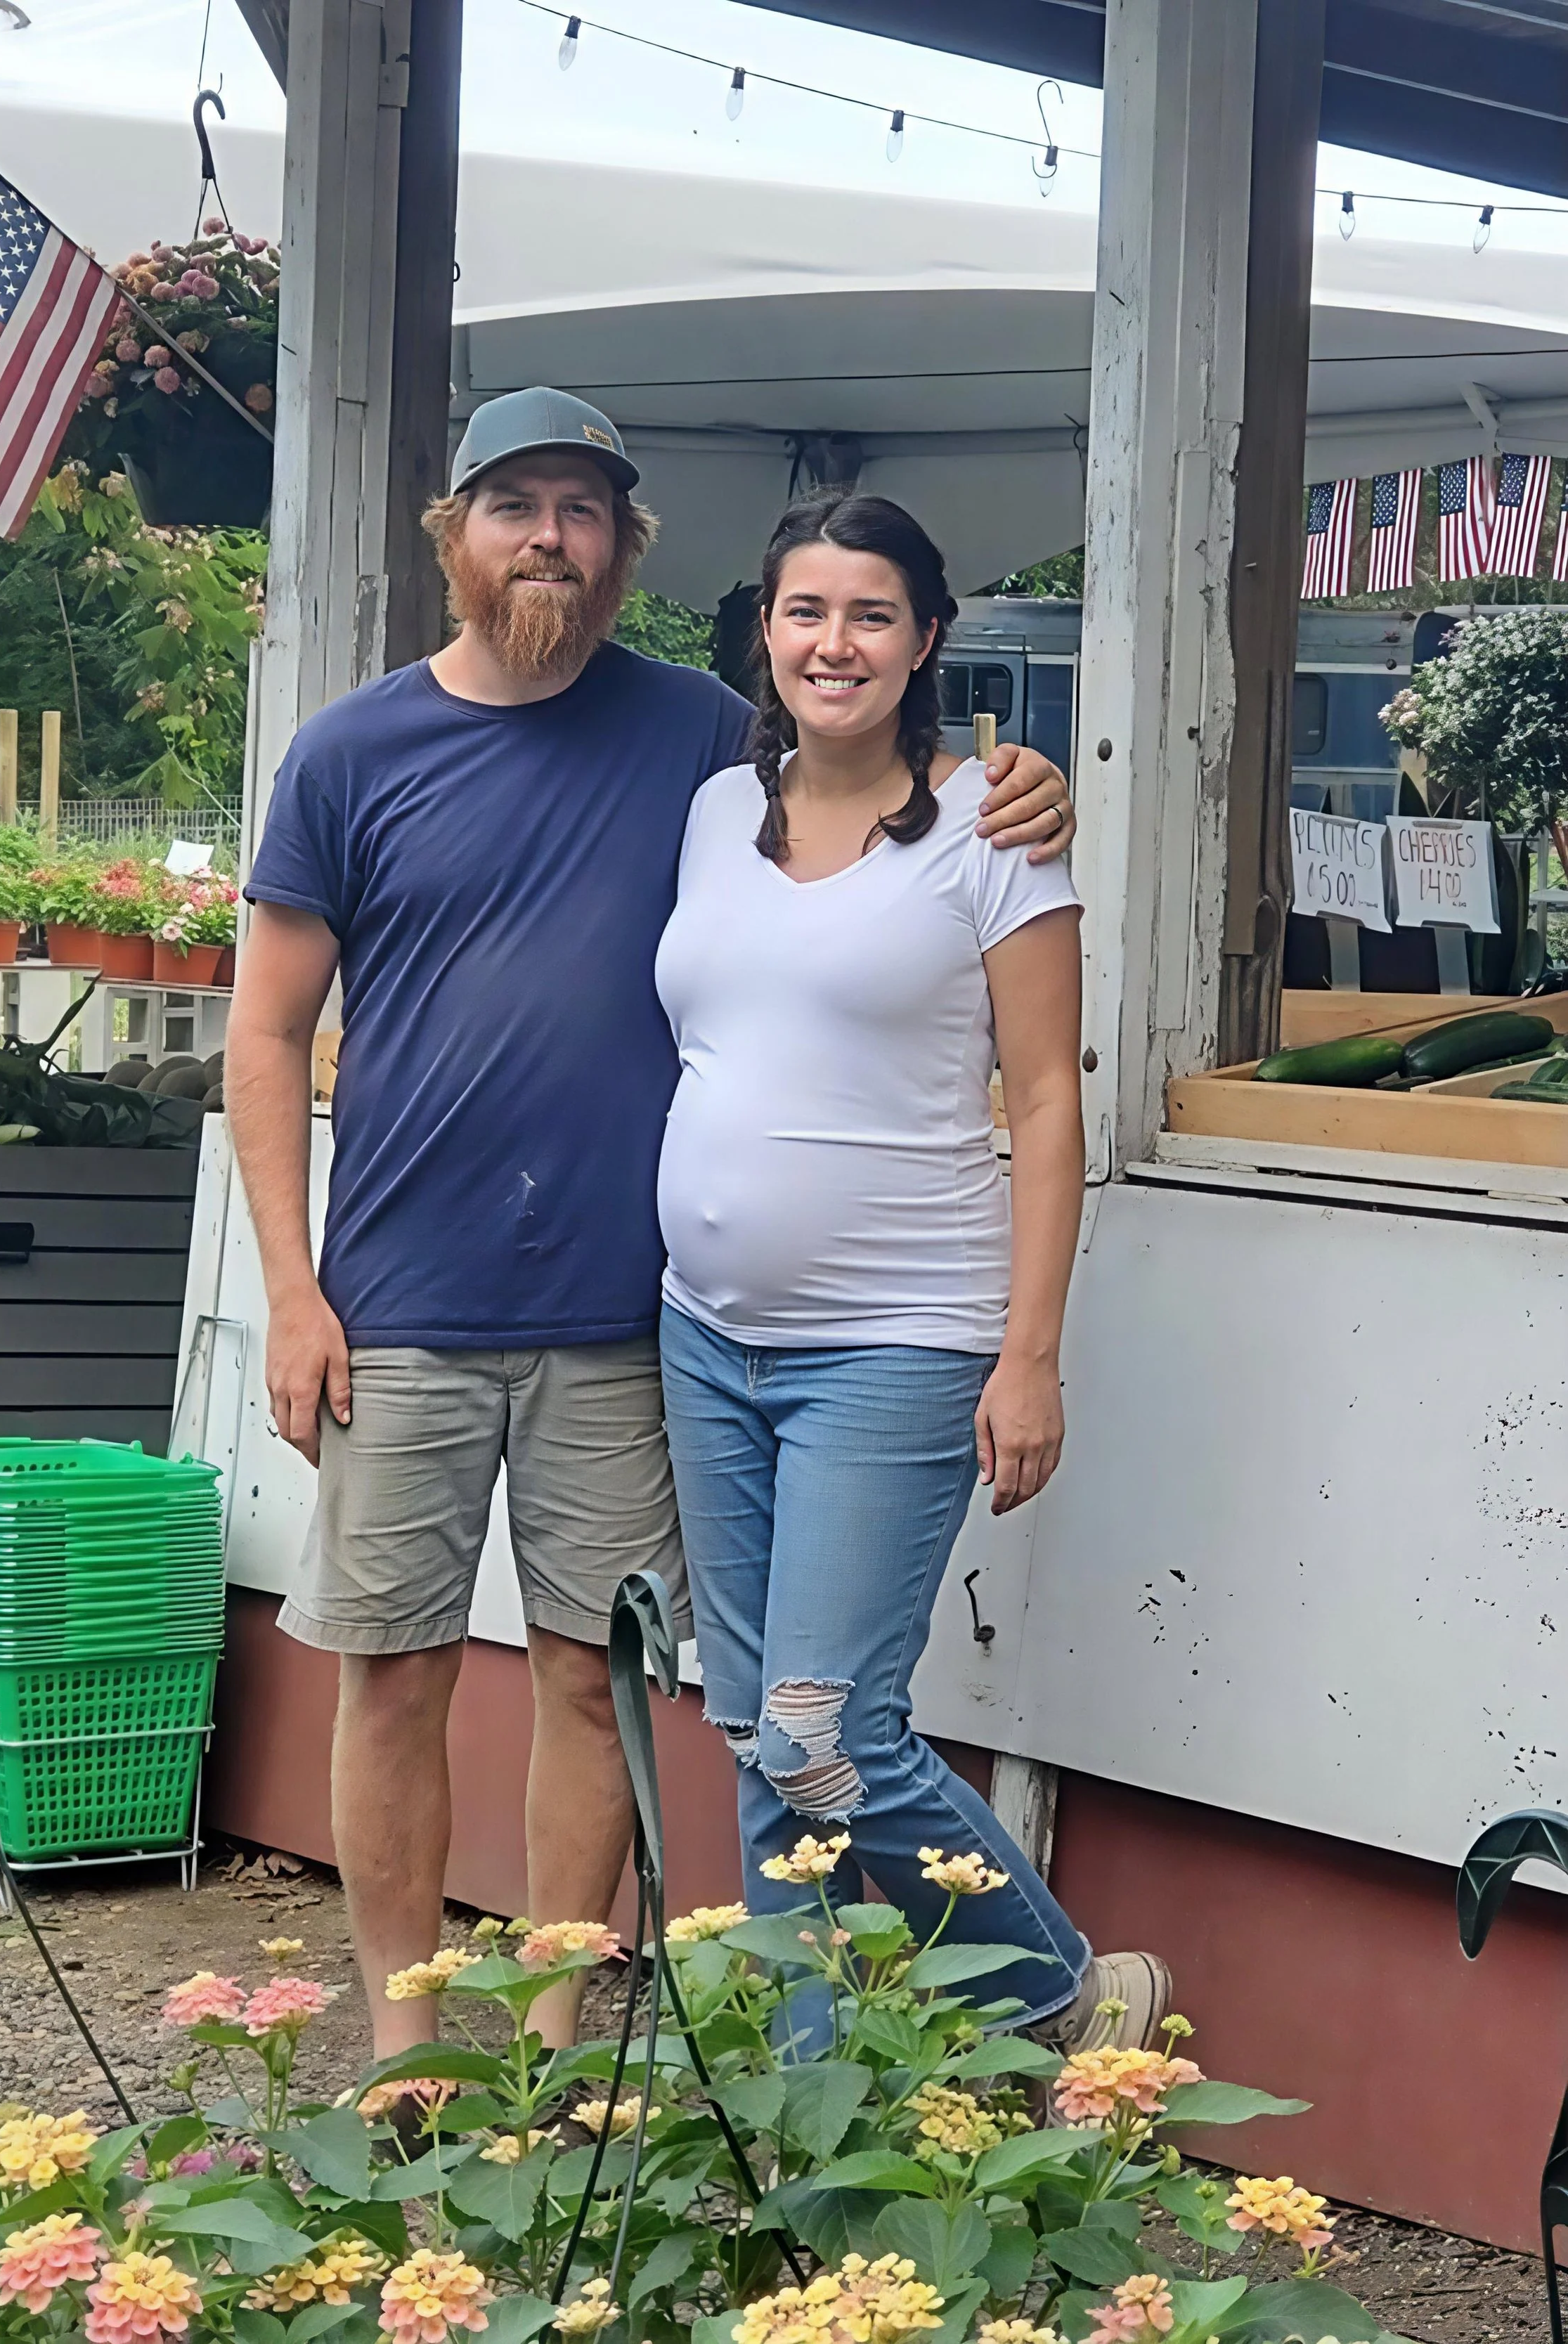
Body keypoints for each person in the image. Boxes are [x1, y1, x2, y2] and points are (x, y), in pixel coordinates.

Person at [226, 388, 1078, 2057]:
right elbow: (263, 1033)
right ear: (451, 532)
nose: (547, 535)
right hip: (395, 1293)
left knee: (595, 1678)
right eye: (513, 504)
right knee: (394, 1672)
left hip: (632, 1314)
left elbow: (874, 781)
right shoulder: (351, 752)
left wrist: (1015, 771)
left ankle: (557, 2037)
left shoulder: (695, 736)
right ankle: (406, 2042)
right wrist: (288, 1285)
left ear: (625, 548)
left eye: (582, 509)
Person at [655, 488, 1170, 2051]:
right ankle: (807, 2115)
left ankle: (1061, 1988)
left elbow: (1042, 1100)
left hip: (895, 1335)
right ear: (764, 631)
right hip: (701, 1333)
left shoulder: (991, 831)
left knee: (825, 1730)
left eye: (870, 613)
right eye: (805, 610)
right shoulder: (706, 815)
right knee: (754, 1727)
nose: (834, 642)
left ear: (925, 639)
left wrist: (1029, 1354)